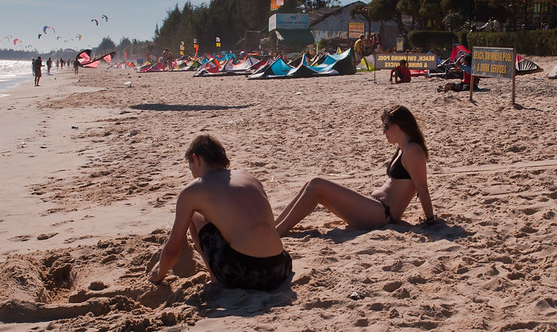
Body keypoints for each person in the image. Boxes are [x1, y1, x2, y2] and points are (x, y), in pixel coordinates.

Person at [148, 135, 292, 290]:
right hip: (280, 268)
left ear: (197, 160)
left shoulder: (194, 190)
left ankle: (215, 278)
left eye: (191, 169)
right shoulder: (249, 178)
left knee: (194, 216)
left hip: (242, 273)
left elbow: (172, 249)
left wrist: (158, 274)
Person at [275, 105, 435, 234]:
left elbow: (422, 187)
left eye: (386, 126)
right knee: (312, 184)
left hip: (383, 214)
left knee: (317, 184)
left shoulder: (412, 150)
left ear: (400, 125)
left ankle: (278, 231)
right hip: (375, 208)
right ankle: (275, 226)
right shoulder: (402, 148)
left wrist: (431, 221)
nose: (383, 131)